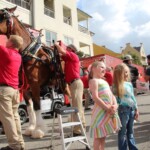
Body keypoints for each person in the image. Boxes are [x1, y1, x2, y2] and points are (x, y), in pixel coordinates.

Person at [89, 61, 121, 150]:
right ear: (93, 68)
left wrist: (115, 105)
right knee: (98, 136)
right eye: (101, 67)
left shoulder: (104, 81)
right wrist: (107, 108)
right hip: (100, 110)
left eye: (104, 67)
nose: (104, 69)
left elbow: (111, 95)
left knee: (103, 135)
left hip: (109, 110)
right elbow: (95, 97)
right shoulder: (94, 81)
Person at [55, 43, 86, 136]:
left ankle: (78, 130)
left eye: (67, 48)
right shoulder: (69, 58)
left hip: (75, 83)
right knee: (77, 105)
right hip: (73, 84)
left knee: (77, 107)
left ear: (71, 49)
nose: (66, 49)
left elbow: (61, 51)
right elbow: (60, 55)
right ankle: (81, 126)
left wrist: (56, 45)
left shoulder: (73, 55)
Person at [0, 35, 25, 150]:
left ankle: (14, 145)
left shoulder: (5, 52)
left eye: (8, 40)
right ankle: (20, 143)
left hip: (5, 90)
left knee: (7, 118)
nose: (6, 41)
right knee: (14, 117)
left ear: (11, 43)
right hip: (15, 90)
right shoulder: (19, 56)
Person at [112, 63, 139, 150]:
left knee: (130, 131)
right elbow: (114, 99)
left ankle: (133, 148)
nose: (126, 74)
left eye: (127, 72)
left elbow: (133, 97)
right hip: (123, 110)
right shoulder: (116, 85)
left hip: (131, 109)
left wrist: (136, 109)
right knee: (123, 132)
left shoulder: (129, 84)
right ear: (118, 74)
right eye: (124, 72)